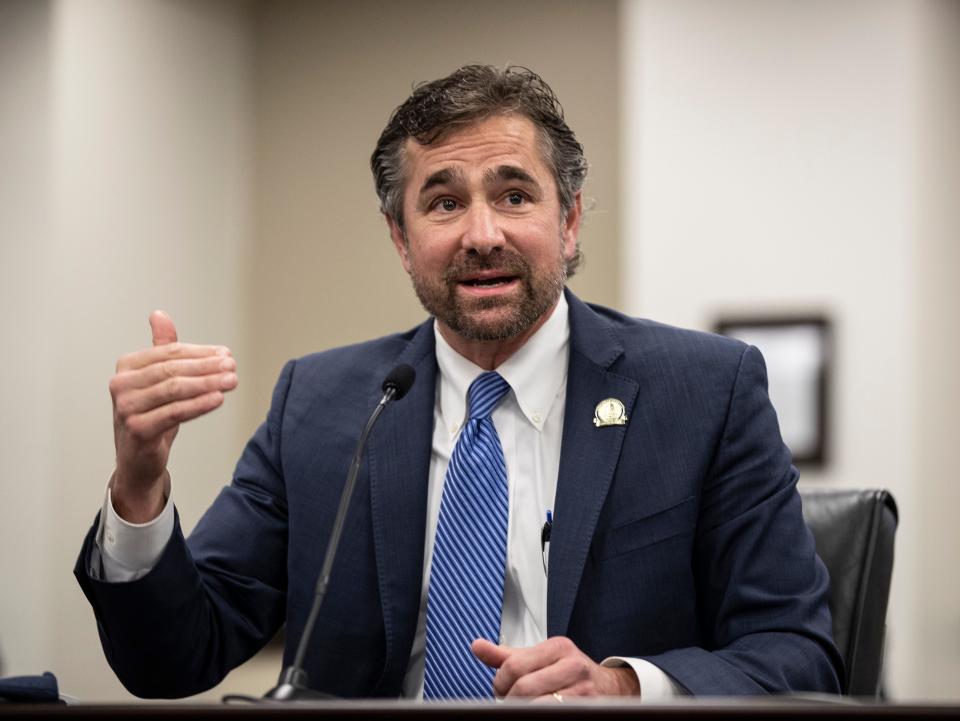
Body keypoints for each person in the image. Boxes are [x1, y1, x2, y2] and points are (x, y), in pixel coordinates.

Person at [75, 65, 842, 701]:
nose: (482, 234)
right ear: (402, 240)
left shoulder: (705, 393)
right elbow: (172, 659)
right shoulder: (323, 403)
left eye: (514, 195)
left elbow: (799, 652)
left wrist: (624, 687)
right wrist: (139, 486)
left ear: (570, 221)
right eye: (444, 202)